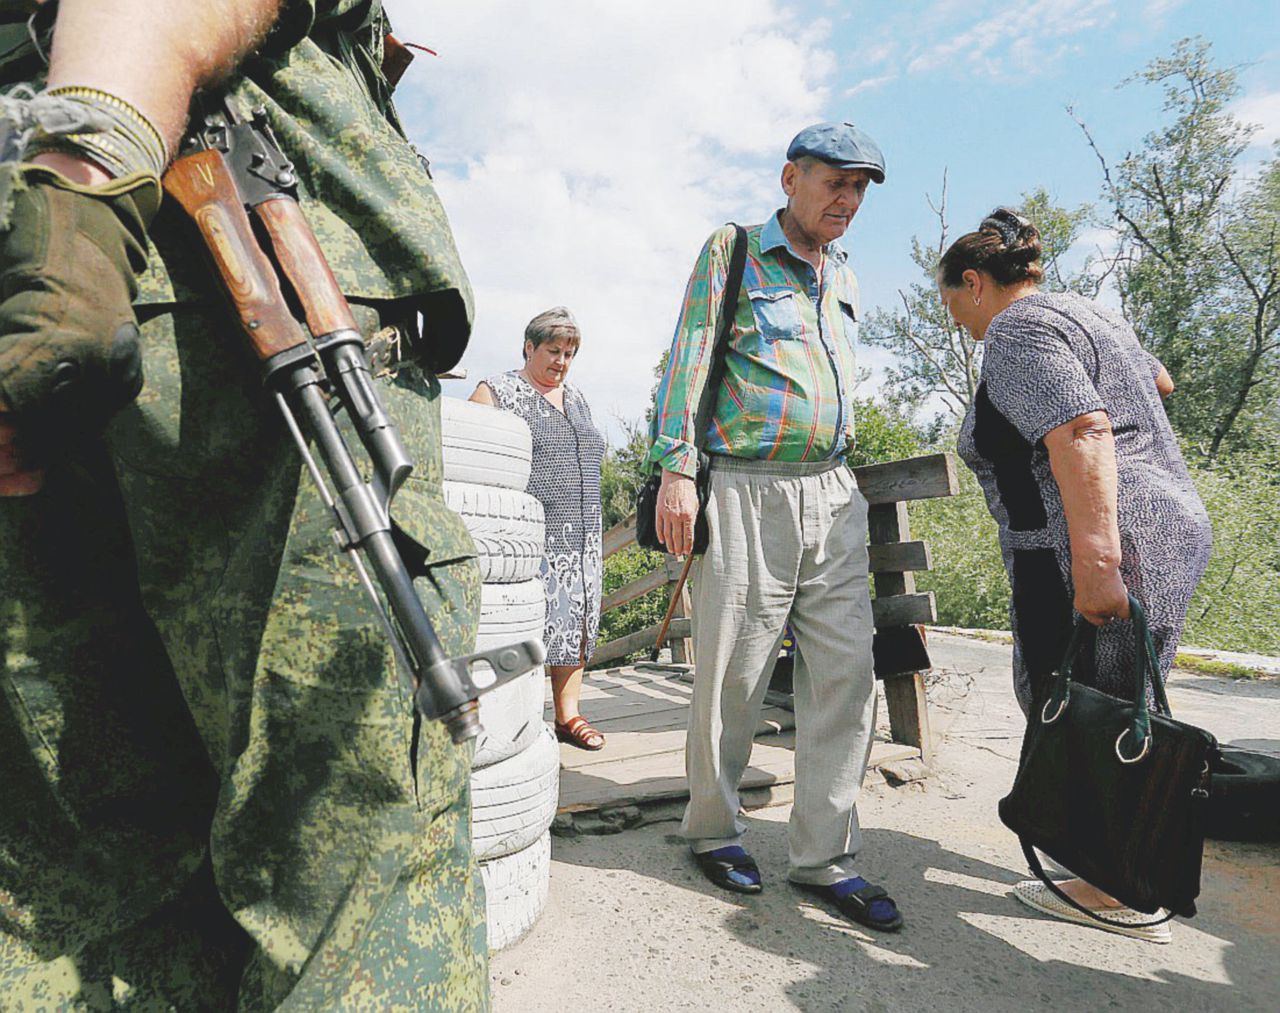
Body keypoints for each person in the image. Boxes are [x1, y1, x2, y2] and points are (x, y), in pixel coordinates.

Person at [0, 2, 489, 1007]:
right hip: (227, 273)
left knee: (70, 885)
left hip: (63, 299)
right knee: (346, 872)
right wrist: (85, 202)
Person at [648, 122, 903, 932]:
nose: (848, 200)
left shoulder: (847, 277)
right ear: (791, 176)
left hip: (834, 490)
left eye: (860, 188)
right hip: (749, 487)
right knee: (735, 672)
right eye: (835, 181)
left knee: (845, 674)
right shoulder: (733, 252)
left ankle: (825, 856)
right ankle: (714, 830)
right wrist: (677, 470)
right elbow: (689, 357)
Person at [938, 207, 1213, 943]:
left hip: (1096, 535)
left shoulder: (1018, 329)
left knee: (1095, 704)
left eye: (953, 303)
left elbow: (1083, 427)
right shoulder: (1090, 313)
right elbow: (1160, 380)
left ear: (975, 282)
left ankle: (1116, 884)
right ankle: (1106, 865)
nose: (960, 322)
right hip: (1160, 519)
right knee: (1108, 699)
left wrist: (1098, 562)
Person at [470, 307, 607, 750]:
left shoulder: (578, 398)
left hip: (583, 536)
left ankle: (569, 716)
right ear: (529, 347)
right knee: (527, 625)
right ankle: (519, 720)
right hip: (529, 538)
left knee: (577, 623)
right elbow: (469, 454)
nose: (562, 362)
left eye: (569, 353)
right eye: (553, 351)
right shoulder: (498, 391)